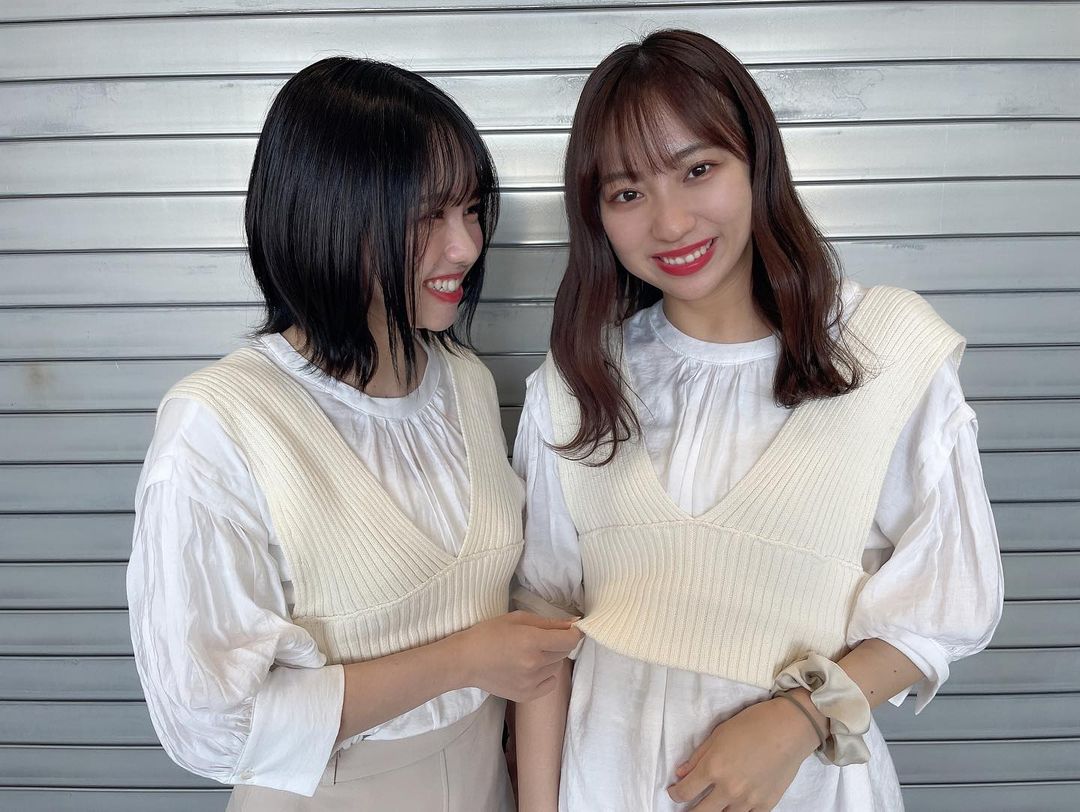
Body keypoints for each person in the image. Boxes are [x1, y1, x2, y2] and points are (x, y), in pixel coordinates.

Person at [513, 30, 1003, 811]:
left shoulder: (886, 350)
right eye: (628, 193)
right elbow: (542, 633)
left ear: (756, 163)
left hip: (808, 790)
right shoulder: (575, 385)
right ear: (596, 214)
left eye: (697, 170)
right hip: (605, 786)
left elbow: (943, 610)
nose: (671, 223)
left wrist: (802, 718)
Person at [127, 57, 580, 811]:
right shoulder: (220, 423)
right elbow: (212, 726)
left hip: (485, 782)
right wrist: (465, 660)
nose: (466, 247)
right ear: (328, 215)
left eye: (471, 210)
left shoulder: (464, 383)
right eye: (428, 216)